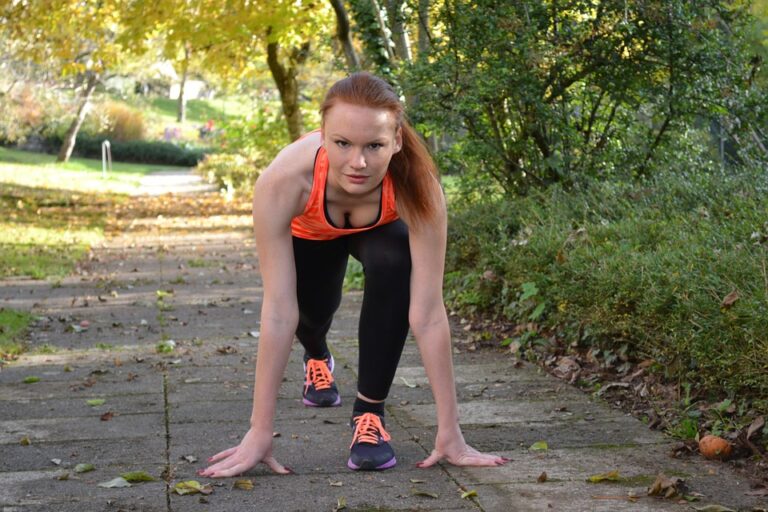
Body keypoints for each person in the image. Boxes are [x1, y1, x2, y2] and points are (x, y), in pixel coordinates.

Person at [199, 72, 507, 477]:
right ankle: (316, 355)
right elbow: (277, 311)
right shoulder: (283, 181)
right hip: (310, 232)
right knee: (310, 315)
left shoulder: (418, 185)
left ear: (396, 141)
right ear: (322, 133)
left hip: (378, 232)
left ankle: (370, 416)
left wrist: (450, 431)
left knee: (396, 260)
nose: (358, 163)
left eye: (374, 146)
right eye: (343, 143)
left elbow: (428, 313)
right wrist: (260, 431)